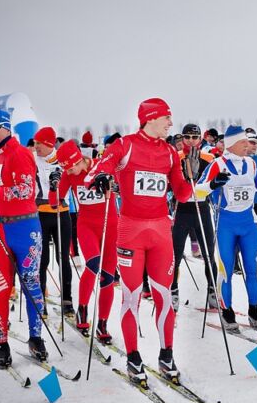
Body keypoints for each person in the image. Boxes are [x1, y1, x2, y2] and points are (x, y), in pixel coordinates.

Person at [85, 98, 193, 384]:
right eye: (167, 118)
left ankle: (166, 353)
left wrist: (199, 183)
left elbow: (181, 192)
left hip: (161, 233)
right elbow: (97, 171)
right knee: (131, 296)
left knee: (164, 296)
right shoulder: (125, 145)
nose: (171, 123)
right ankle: (133, 356)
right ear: (152, 118)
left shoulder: (170, 152)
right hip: (130, 231)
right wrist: (102, 177)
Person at [0, 109, 48, 366]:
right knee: (0, 287)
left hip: (24, 229)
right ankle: (1, 342)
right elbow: (0, 186)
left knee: (31, 284)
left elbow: (25, 190)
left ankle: (36, 337)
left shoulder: (19, 153)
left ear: (7, 127)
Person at [196, 125, 257, 331]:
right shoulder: (218, 164)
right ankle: (227, 311)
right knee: (225, 271)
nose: (248, 145)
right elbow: (197, 192)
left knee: (252, 270)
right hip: (225, 225)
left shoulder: (251, 164)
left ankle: (254, 310)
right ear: (233, 144)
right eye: (244, 142)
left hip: (248, 225)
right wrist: (212, 185)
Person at [55, 140, 119, 344]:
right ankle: (82, 308)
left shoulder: (102, 166)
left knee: (108, 276)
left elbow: (119, 185)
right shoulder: (68, 174)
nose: (70, 172)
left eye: (71, 167)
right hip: (86, 226)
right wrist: (53, 186)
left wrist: (112, 184)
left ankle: (103, 322)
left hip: (110, 225)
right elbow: (54, 200)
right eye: (66, 169)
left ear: (79, 159)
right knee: (92, 263)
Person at [171, 123, 217, 310]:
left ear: (200, 139)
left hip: (202, 210)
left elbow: (215, 181)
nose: (190, 141)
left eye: (194, 137)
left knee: (208, 255)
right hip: (182, 211)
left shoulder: (208, 157)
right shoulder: (176, 157)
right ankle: (173, 290)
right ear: (182, 139)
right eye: (187, 137)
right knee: (176, 255)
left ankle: (213, 290)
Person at [32, 126, 75, 314]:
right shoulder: (32, 159)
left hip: (61, 213)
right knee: (42, 259)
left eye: (39, 143)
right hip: (40, 213)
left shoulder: (62, 158)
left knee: (63, 257)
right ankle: (40, 298)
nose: (36, 147)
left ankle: (67, 299)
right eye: (35, 143)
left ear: (49, 144)